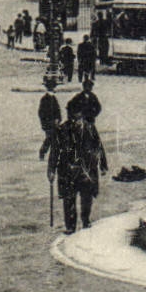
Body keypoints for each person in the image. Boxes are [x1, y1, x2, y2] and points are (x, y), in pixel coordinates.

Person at [48, 95, 109, 233]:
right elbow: (55, 151)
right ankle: (70, 227)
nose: (74, 120)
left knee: (87, 197)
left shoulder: (90, 128)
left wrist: (103, 165)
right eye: (71, 115)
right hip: (68, 170)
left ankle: (85, 220)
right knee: (69, 199)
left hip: (86, 170)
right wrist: (51, 170)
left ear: (82, 114)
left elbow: (98, 146)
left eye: (77, 116)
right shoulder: (62, 129)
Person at [37, 74, 63, 159]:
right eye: (52, 88)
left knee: (51, 138)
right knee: (50, 138)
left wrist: (58, 119)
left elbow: (58, 110)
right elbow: (41, 112)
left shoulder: (53, 98)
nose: (53, 89)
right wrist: (46, 122)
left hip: (54, 122)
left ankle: (46, 153)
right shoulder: (45, 99)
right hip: (48, 123)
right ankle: (43, 152)